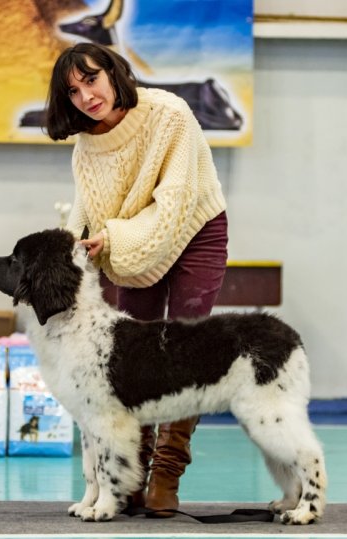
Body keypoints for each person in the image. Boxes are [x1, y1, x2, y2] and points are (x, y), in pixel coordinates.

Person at [45, 42, 229, 517]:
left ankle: (166, 474)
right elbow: (88, 207)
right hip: (127, 242)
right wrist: (72, 248)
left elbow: (176, 202)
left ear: (112, 72)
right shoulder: (87, 143)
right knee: (131, 358)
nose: (86, 96)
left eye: (91, 79)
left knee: (187, 351)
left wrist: (112, 239)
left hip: (194, 229)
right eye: (73, 91)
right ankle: (129, 476)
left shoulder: (169, 113)